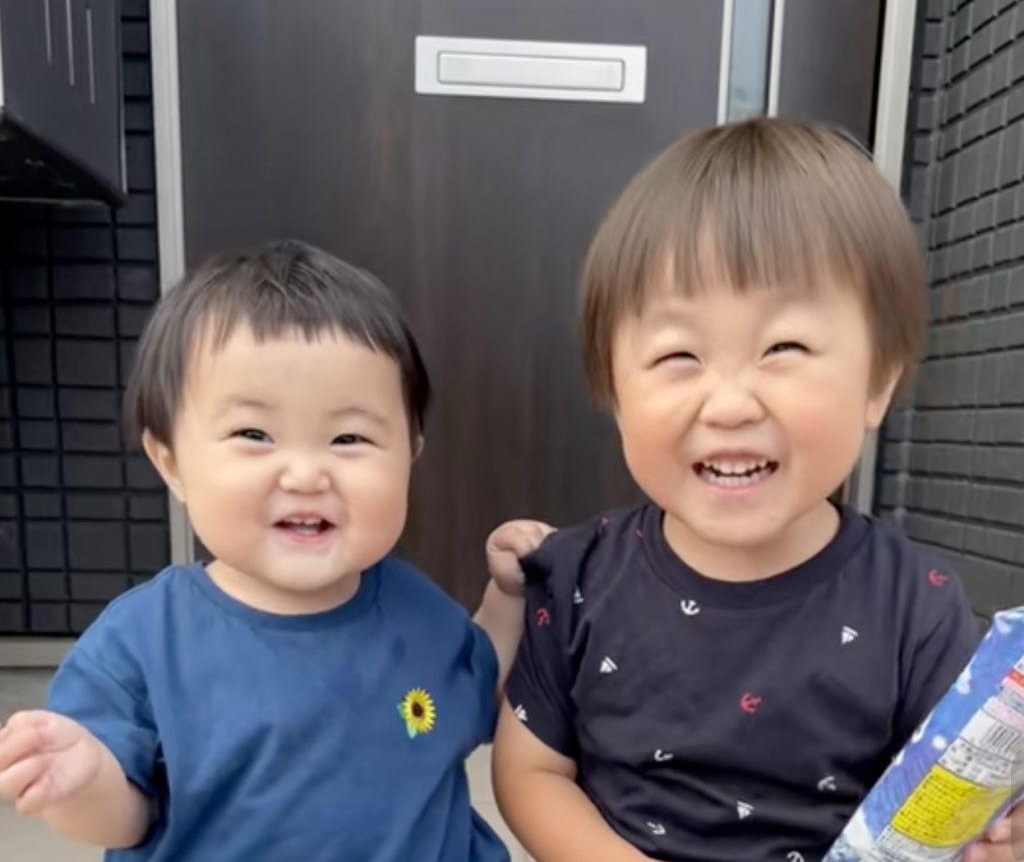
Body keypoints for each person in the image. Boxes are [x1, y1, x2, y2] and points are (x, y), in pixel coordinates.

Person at [486, 119, 1023, 861]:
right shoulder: (579, 577)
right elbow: (530, 770)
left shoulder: (914, 603)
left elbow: (951, 791)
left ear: (877, 383)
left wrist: (992, 837)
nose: (731, 403)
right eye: (679, 354)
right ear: (614, 389)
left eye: (784, 347)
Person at [0, 240, 546, 861]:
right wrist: (79, 784)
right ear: (171, 462)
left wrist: (508, 599)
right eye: (254, 434)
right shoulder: (143, 641)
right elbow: (127, 818)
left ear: (410, 455)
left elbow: (481, 688)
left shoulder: (417, 610)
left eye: (349, 438)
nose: (306, 475)